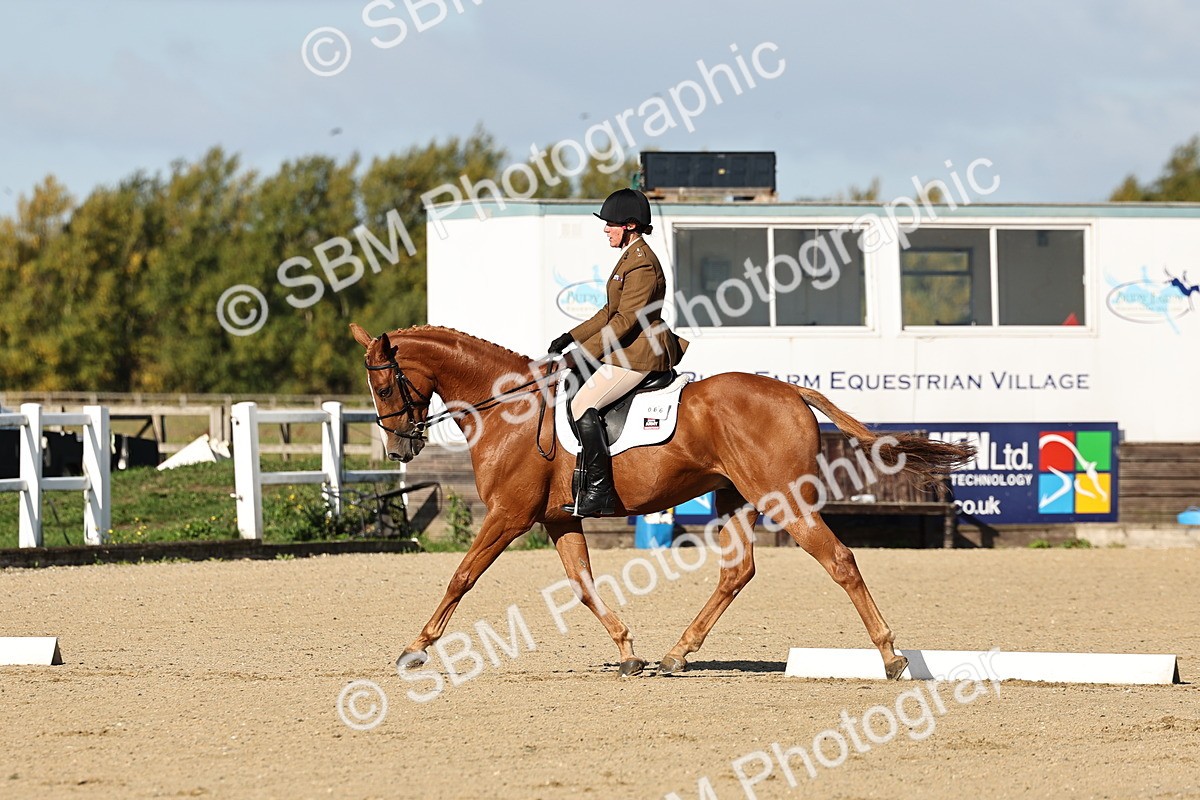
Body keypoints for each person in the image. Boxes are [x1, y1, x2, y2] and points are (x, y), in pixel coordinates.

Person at [547, 188, 689, 517]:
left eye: (610, 223)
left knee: (584, 403)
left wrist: (586, 353)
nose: (605, 229)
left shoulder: (641, 264)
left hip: (641, 353)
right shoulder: (627, 259)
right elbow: (608, 312)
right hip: (626, 349)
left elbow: (626, 320)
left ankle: (600, 491)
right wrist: (571, 336)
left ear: (629, 225)